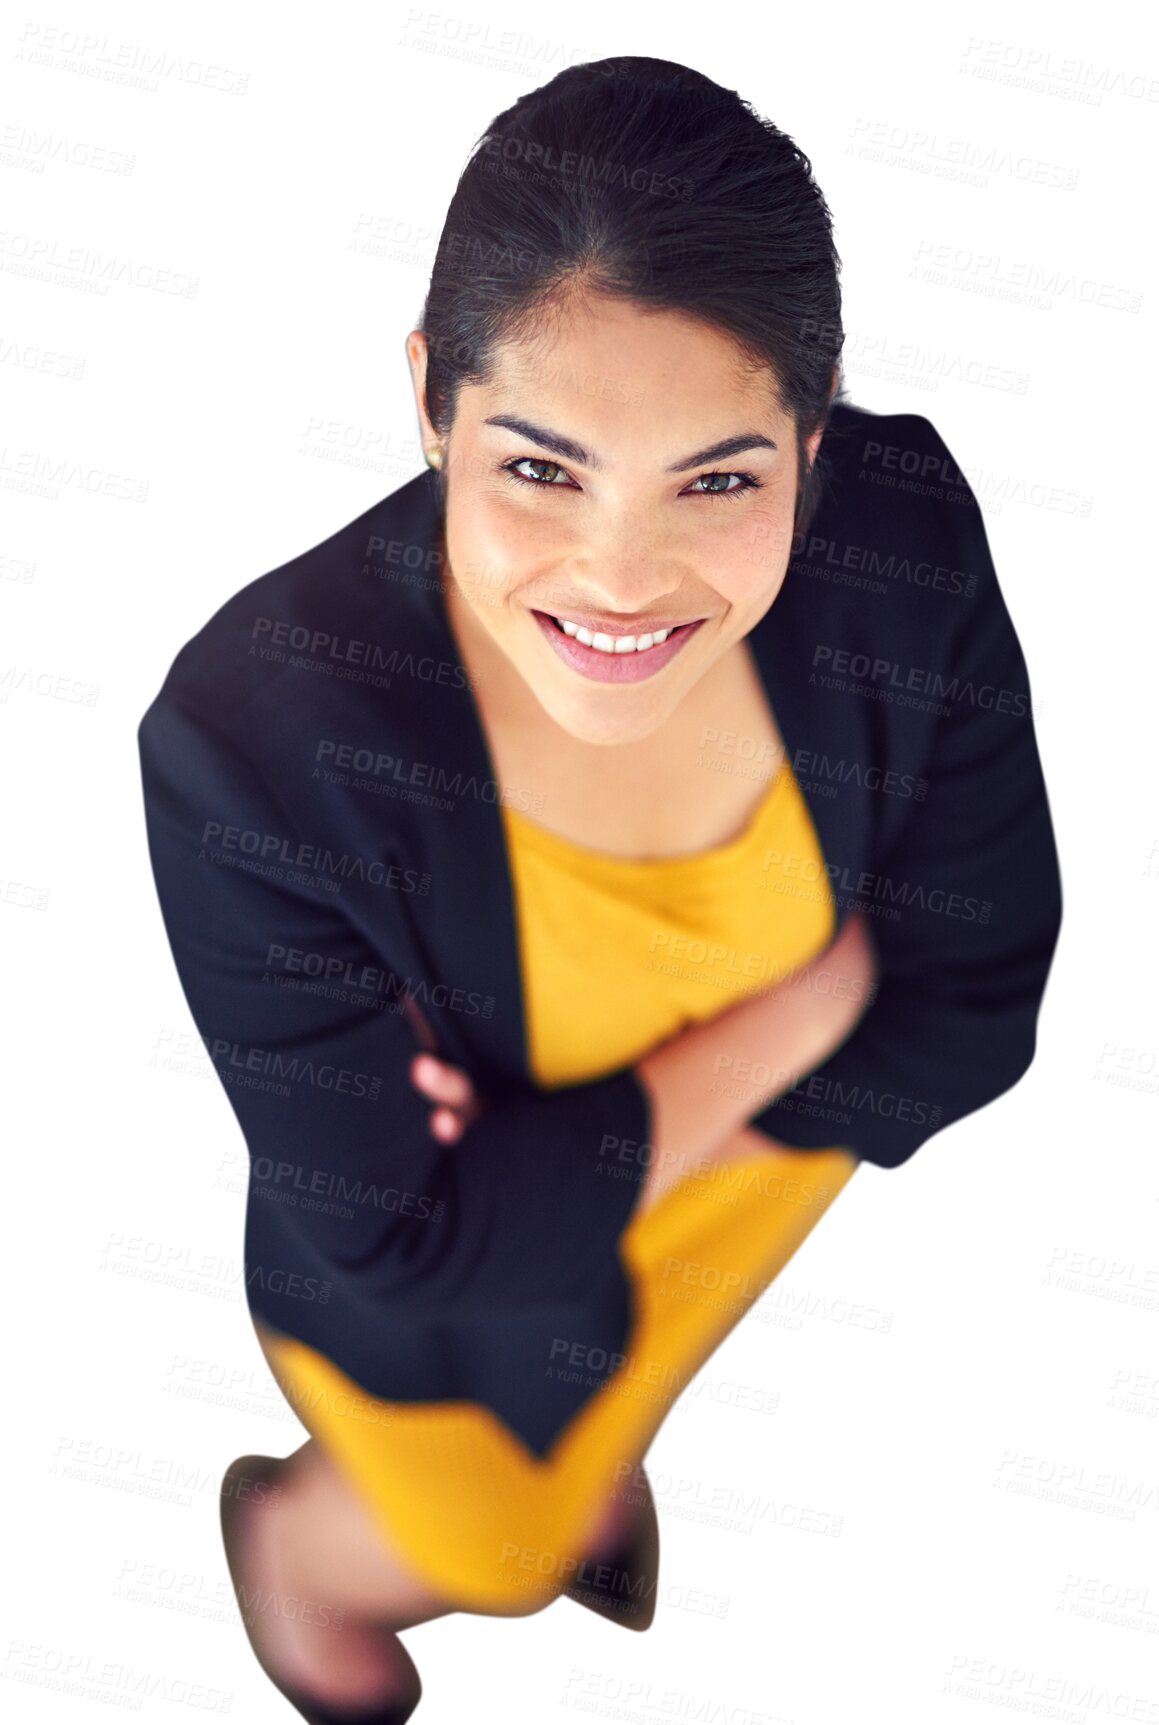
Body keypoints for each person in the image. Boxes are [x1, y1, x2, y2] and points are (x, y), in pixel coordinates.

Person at [137, 55, 1062, 1723]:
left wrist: (554, 1172)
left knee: (598, 1409)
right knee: (487, 1542)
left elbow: (979, 1001)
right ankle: (295, 1542)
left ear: (815, 428)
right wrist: (813, 999)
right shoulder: (250, 743)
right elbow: (413, 1249)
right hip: (436, 1331)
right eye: (539, 469)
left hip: (732, 1201)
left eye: (719, 478)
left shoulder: (898, 535)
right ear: (430, 398)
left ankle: (589, 1434)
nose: (623, 583)